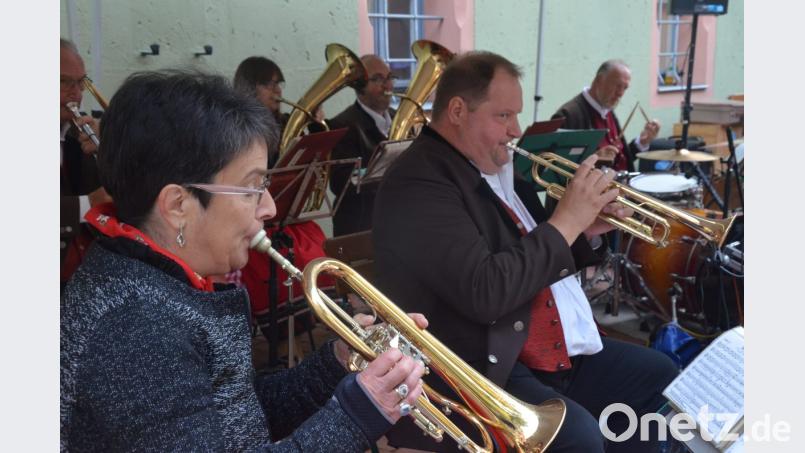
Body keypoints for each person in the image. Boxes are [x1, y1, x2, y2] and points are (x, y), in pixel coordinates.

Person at [61, 70, 428, 452]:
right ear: (178, 205)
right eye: (253, 187)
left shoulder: (154, 280)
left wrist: (336, 363)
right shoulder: (136, 325)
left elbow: (234, 414)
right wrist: (358, 414)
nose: (269, 207)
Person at [373, 51, 678, 452]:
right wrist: (566, 221)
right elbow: (485, 292)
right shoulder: (420, 181)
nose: (515, 129)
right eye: (503, 116)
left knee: (660, 375)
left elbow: (534, 258)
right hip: (474, 362)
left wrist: (586, 231)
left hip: (535, 346)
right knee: (579, 437)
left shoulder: (495, 167)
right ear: (458, 111)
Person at [233, 56, 333, 347]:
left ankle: (316, 324)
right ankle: (290, 342)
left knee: (314, 243)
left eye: (279, 83)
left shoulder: (287, 123)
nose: (278, 91)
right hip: (253, 221)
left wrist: (315, 131)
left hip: (282, 218)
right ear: (251, 87)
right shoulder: (239, 128)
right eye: (270, 84)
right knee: (276, 263)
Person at [328, 54, 396, 236]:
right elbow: (339, 184)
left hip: (398, 223)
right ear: (359, 86)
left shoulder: (401, 118)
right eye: (378, 79)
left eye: (389, 77)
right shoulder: (341, 125)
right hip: (361, 228)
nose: (387, 85)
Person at [60, 38, 110, 284]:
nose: (77, 94)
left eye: (81, 83)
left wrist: (108, 151)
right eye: (63, 82)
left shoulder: (73, 137)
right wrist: (89, 204)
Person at [552, 59, 661, 172]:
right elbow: (557, 169)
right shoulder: (568, 115)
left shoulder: (607, 109)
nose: (620, 93)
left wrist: (642, 142)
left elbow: (619, 160)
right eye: (618, 85)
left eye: (625, 88)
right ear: (599, 80)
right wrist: (594, 159)